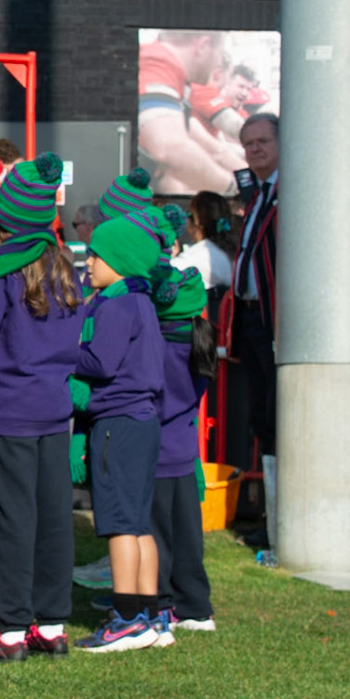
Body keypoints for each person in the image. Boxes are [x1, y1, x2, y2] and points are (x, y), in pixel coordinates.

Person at [0, 154, 83, 662]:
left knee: (13, 520)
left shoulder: (1, 275)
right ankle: (53, 624)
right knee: (55, 519)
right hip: (54, 412)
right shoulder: (64, 268)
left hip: (9, 412)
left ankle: (13, 629)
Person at [74, 205, 176, 652]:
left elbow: (100, 361)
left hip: (117, 423)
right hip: (143, 423)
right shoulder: (143, 302)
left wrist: (60, 349)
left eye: (97, 256)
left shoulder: (116, 305)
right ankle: (151, 614)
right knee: (138, 523)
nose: (89, 263)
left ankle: (126, 617)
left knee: (117, 523)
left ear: (119, 261)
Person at [149, 265, 215, 636]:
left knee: (156, 536)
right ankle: (196, 606)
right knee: (189, 537)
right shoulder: (198, 340)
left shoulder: (159, 346)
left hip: (156, 455)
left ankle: (161, 602)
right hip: (185, 454)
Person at [137, 30, 245, 195]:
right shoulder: (158, 61)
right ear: (202, 46)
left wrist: (248, 180)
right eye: (219, 54)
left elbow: (213, 149)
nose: (217, 64)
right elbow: (170, 149)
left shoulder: (178, 80)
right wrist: (234, 190)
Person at [231, 113, 279, 470]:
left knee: (278, 413)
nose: (255, 149)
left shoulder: (289, 192)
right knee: (260, 413)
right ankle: (271, 509)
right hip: (248, 317)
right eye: (248, 143)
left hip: (274, 318)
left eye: (263, 141)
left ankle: (281, 514)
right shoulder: (256, 196)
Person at [171, 189, 236, 292]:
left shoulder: (197, 256)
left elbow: (164, 276)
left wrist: (168, 256)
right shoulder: (237, 250)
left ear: (196, 222)